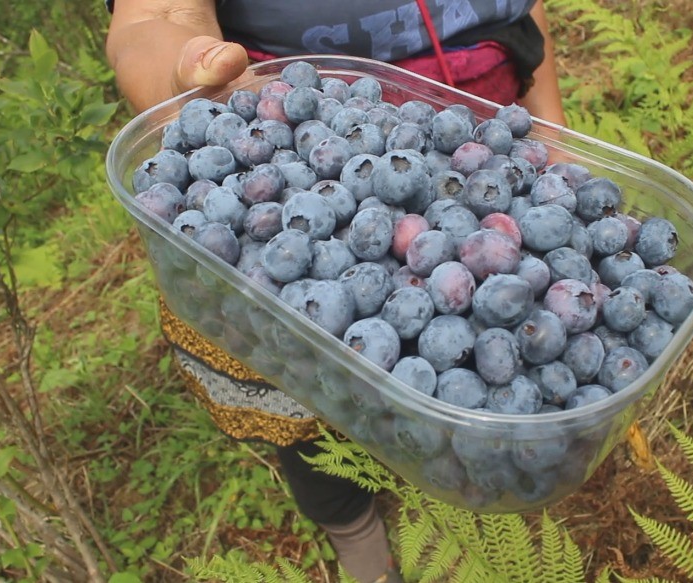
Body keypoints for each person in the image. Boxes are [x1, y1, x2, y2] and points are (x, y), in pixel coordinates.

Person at [104, 2, 567, 582]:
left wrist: (550, 125)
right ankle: (362, 547)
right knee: (301, 393)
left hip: (484, 145)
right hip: (292, 118)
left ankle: (474, 520)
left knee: (470, 399)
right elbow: (155, 15)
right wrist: (181, 71)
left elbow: (522, 12)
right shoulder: (286, 196)